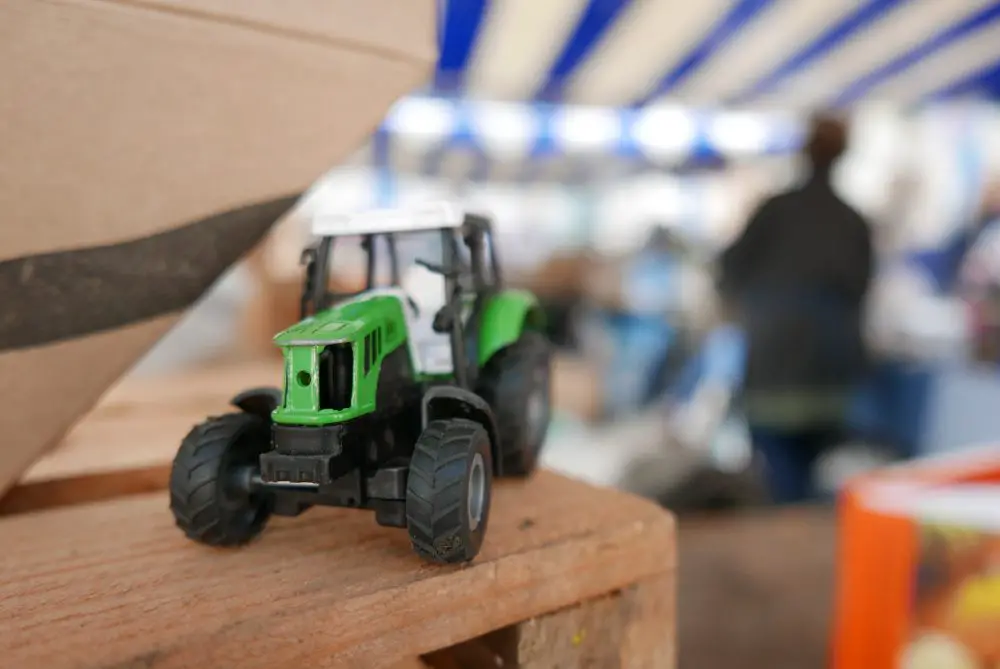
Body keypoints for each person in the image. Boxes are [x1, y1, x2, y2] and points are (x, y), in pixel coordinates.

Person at [717, 114, 875, 504]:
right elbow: (861, 291)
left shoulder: (775, 210)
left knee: (782, 478)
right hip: (827, 370)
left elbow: (729, 269)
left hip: (776, 365)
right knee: (806, 475)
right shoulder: (852, 220)